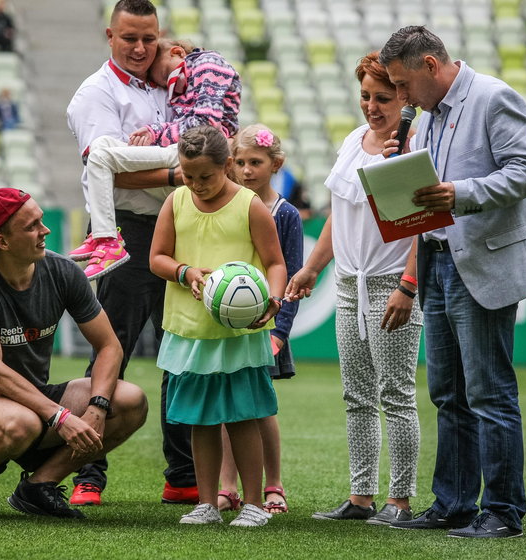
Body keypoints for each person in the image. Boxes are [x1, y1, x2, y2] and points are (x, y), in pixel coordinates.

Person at [379, 26, 526, 538]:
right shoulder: (429, 113)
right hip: (438, 260)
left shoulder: (494, 97)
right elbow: (429, 191)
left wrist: (459, 192)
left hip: (479, 261)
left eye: (403, 84)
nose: (401, 97)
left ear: (431, 66)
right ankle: (453, 504)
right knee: (448, 393)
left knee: (489, 392)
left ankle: (502, 510)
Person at [0, 188, 148, 519]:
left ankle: (38, 487)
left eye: (41, 220)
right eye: (32, 226)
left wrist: (97, 407)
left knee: (130, 400)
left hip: (37, 397)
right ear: (3, 242)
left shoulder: (63, 271)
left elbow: (109, 346)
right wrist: (60, 416)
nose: (45, 231)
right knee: (19, 423)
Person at [65, 0, 198, 507]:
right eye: (129, 39)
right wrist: (176, 173)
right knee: (111, 350)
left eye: (149, 38)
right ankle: (86, 473)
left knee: (184, 354)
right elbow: (108, 170)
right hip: (131, 229)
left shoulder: (171, 78)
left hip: (182, 226)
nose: (141, 49)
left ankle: (183, 475)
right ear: (109, 35)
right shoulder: (96, 94)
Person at [285, 52, 422, 526]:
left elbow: (426, 228)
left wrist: (408, 284)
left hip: (391, 284)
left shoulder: (413, 145)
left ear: (405, 97)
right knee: (357, 395)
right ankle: (361, 497)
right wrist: (311, 270)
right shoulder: (351, 142)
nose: (371, 105)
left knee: (397, 395)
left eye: (382, 97)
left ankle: (400, 501)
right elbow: (336, 219)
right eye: (365, 95)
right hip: (349, 283)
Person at [149, 125, 287, 527]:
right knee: (201, 420)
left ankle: (254, 504)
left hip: (238, 336)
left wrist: (273, 300)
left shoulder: (249, 205)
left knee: (243, 417)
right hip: (191, 332)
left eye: (205, 176)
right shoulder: (175, 201)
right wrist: (185, 271)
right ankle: (206, 504)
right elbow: (157, 258)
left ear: (227, 165)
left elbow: (276, 262)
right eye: (188, 176)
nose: (196, 185)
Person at [68, 37, 241, 280]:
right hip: (182, 152)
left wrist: (155, 132)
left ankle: (106, 240)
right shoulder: (181, 81)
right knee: (99, 147)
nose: (164, 83)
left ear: (178, 52)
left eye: (162, 73)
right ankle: (103, 235)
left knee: (99, 159)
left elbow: (204, 125)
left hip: (196, 151)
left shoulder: (209, 63)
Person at [216, 124, 302, 515]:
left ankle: (274, 485)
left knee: (261, 407)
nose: (247, 170)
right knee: (225, 406)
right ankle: (227, 486)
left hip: (265, 328)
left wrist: (279, 333)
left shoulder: (285, 214)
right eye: (240, 162)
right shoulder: (226, 206)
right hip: (228, 328)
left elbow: (291, 277)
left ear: (276, 164)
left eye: (256, 162)